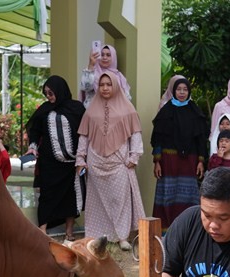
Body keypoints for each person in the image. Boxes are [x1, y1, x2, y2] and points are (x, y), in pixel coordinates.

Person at [76, 71, 145, 251]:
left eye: (109, 84)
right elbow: (84, 135)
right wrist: (80, 158)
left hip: (119, 161)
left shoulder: (128, 108)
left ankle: (122, 236)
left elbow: (135, 134)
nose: (105, 88)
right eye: (102, 85)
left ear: (115, 85)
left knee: (119, 200)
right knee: (96, 202)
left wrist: (134, 155)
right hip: (96, 162)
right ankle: (97, 236)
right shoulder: (91, 109)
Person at [25, 75, 86, 241]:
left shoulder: (77, 108)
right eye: (46, 94)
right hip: (49, 163)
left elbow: (85, 132)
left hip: (71, 164)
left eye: (51, 93)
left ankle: (69, 233)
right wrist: (32, 148)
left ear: (60, 90)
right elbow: (35, 131)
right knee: (47, 196)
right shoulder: (44, 110)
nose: (49, 97)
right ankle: (42, 231)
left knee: (70, 197)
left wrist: (83, 156)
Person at [151, 76, 208, 233]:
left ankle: (188, 230)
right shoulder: (165, 112)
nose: (182, 93)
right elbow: (158, 139)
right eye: (178, 89)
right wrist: (157, 161)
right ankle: (165, 233)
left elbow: (201, 141)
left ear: (189, 91)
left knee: (189, 197)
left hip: (189, 163)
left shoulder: (195, 112)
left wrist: (201, 161)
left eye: (185, 89)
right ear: (173, 91)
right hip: (168, 162)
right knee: (167, 196)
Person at [79, 43, 131, 108]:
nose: (105, 57)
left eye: (108, 55)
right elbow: (86, 87)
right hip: (94, 112)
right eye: (102, 55)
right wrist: (91, 64)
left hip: (114, 112)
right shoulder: (92, 72)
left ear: (114, 57)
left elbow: (126, 98)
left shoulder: (119, 76)